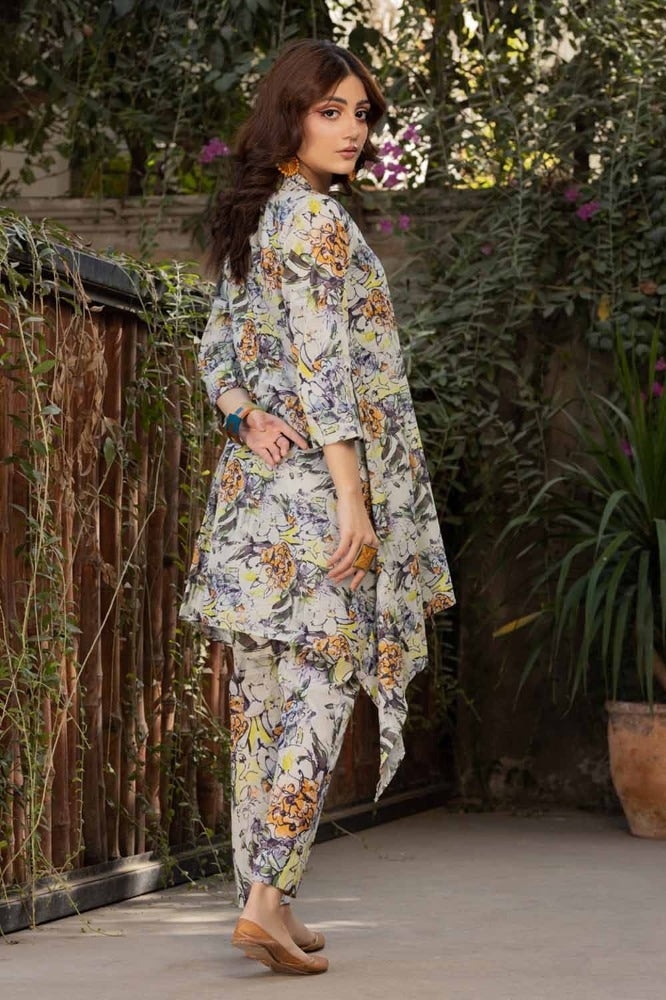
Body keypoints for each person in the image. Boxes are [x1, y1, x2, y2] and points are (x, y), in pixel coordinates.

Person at [178, 37, 455, 975]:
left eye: (361, 112)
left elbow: (216, 353)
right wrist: (352, 498)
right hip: (312, 500)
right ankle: (266, 901)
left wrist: (240, 415)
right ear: (288, 114)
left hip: (251, 501)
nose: (352, 129)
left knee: (263, 705)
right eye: (329, 110)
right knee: (323, 691)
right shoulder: (317, 221)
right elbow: (326, 371)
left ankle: (270, 902)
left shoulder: (256, 217)